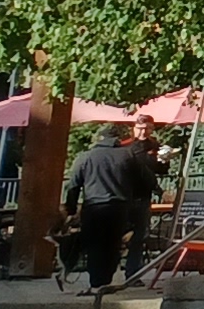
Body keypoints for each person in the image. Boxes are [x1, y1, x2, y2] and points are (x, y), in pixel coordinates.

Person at [64, 120, 165, 291]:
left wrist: (71, 209)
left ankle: (96, 282)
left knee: (94, 244)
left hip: (93, 207)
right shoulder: (127, 155)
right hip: (119, 207)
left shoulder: (85, 157)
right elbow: (147, 178)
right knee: (113, 244)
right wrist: (155, 191)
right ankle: (106, 279)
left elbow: (73, 185)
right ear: (117, 139)